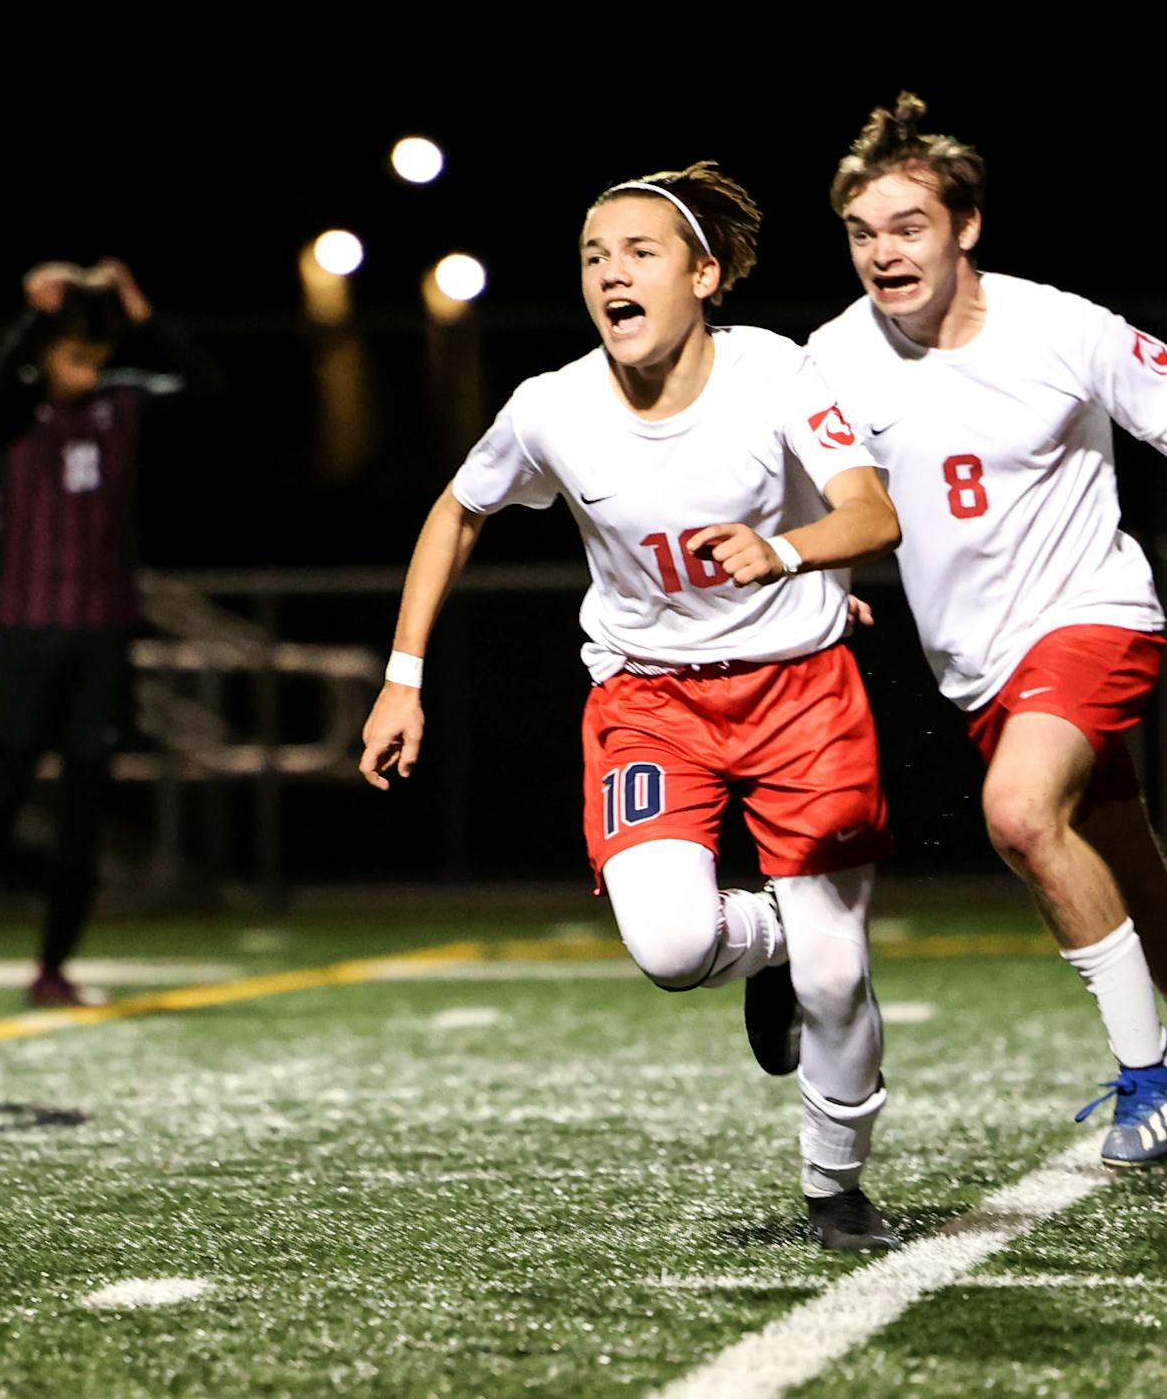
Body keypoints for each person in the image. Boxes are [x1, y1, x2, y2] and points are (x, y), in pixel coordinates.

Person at [807, 96, 1167, 1195]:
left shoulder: (1064, 329)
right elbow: (810, 493)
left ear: (966, 227)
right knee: (1140, 892)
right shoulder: (832, 357)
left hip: (1093, 618)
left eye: (908, 226)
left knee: (1018, 815)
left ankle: (1145, 1072)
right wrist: (822, 580)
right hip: (979, 671)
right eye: (865, 233)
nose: (884, 254)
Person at [359, 165, 905, 1249]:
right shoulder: (553, 407)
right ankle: (778, 941)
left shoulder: (779, 376)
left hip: (801, 690)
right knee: (668, 948)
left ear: (703, 275)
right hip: (649, 702)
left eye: (639, 251)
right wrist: (402, 674)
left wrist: (784, 551)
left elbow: (873, 513)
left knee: (842, 982)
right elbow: (457, 513)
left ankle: (835, 1189)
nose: (612, 272)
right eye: (593, 256)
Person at [0, 259, 221, 1010]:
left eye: (93, 351)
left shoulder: (122, 407)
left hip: (100, 639)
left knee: (85, 809)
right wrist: (32, 313)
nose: (87, 365)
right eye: (71, 351)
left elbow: (207, 392)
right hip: (27, 637)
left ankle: (52, 969)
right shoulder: (15, 412)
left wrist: (144, 314)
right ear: (46, 354)